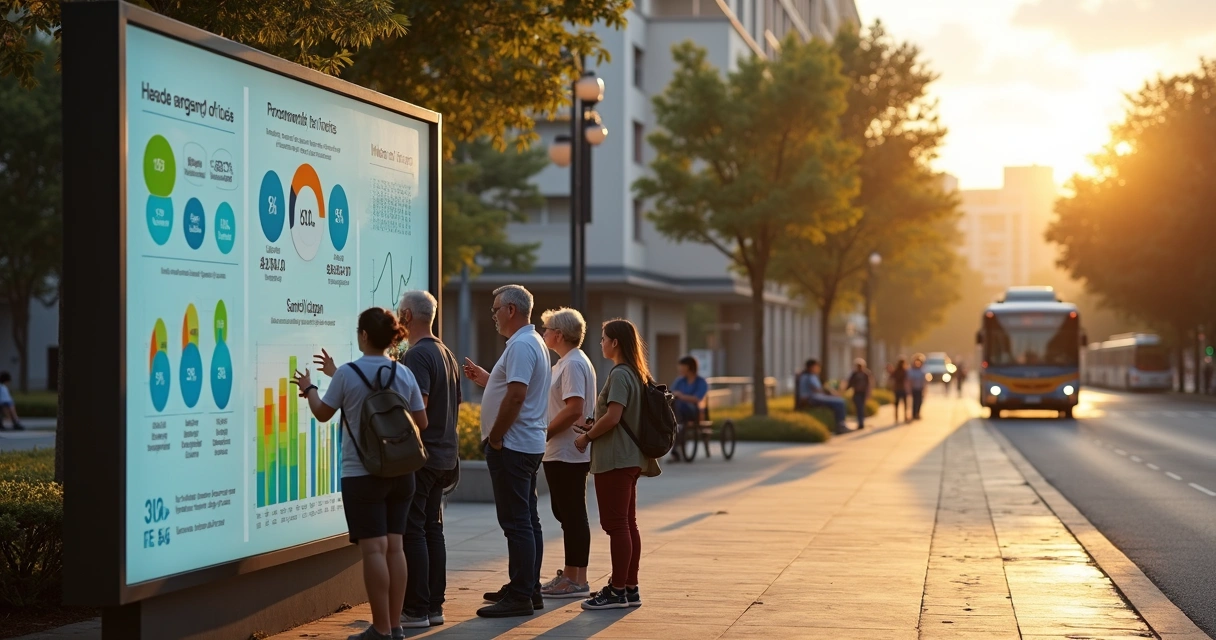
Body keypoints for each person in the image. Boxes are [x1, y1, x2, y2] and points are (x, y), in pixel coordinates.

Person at [292, 308, 428, 640]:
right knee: (395, 548)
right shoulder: (403, 372)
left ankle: (379, 629)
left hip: (362, 473)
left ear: (364, 335)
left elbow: (323, 413)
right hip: (402, 473)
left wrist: (310, 389)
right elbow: (421, 423)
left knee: (373, 550)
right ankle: (395, 627)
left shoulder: (347, 375)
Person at [462, 285, 551, 618]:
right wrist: (489, 380)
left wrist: (496, 437)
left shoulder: (522, 345)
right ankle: (527, 588)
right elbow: (511, 388)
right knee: (527, 520)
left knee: (517, 523)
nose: (494, 315)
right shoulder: (529, 342)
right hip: (524, 444)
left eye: (496, 309)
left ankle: (521, 596)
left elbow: (516, 396)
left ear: (511, 310)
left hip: (513, 446)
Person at [574, 318, 660, 610]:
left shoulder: (621, 375)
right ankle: (630, 586)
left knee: (616, 525)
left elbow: (613, 417)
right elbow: (618, 418)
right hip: (629, 458)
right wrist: (592, 425)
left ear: (615, 343)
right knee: (627, 524)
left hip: (615, 459)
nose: (600, 343)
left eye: (603, 338)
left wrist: (587, 438)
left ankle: (617, 590)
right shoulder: (637, 374)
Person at [396, 291, 461, 629]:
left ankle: (417, 609)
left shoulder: (419, 355)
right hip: (444, 456)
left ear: (407, 315)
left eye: (398, 311)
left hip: (423, 457)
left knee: (414, 530)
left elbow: (417, 405)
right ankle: (434, 606)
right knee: (432, 529)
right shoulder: (445, 353)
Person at [537, 307, 597, 600]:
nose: (543, 333)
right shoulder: (566, 362)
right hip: (559, 451)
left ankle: (577, 579)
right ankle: (570, 574)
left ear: (559, 334)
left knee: (572, 514)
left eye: (546, 329)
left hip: (566, 450)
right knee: (566, 513)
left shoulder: (572, 364)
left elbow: (574, 408)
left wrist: (544, 433)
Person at [670, 355, 709, 461]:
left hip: (693, 411)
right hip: (678, 410)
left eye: (682, 367)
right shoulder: (680, 381)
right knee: (674, 406)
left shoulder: (701, 382)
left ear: (689, 368)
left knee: (679, 407)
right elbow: (671, 393)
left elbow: (697, 398)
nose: (680, 369)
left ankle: (676, 448)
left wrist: (681, 396)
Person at [797, 359, 847, 432]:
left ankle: (839, 424)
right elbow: (818, 389)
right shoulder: (809, 376)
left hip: (812, 397)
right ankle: (840, 426)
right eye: (817, 366)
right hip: (811, 398)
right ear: (812, 367)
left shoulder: (806, 375)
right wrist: (831, 393)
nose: (818, 368)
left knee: (838, 401)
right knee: (840, 402)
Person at [845, 359, 874, 430]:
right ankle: (860, 423)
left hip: (863, 393)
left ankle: (861, 423)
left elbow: (869, 385)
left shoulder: (866, 374)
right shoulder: (854, 374)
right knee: (858, 408)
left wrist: (868, 394)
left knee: (861, 408)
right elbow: (850, 383)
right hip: (856, 393)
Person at [890, 359, 910, 424]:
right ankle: (901, 417)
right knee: (901, 404)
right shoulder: (904, 371)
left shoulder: (900, 371)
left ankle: (899, 417)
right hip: (901, 389)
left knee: (898, 404)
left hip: (899, 389)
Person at [909, 354, 927, 420]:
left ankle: (917, 413)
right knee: (914, 402)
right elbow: (909, 380)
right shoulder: (911, 370)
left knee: (919, 401)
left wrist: (925, 389)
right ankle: (913, 414)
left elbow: (924, 381)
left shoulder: (922, 370)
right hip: (914, 388)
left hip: (920, 388)